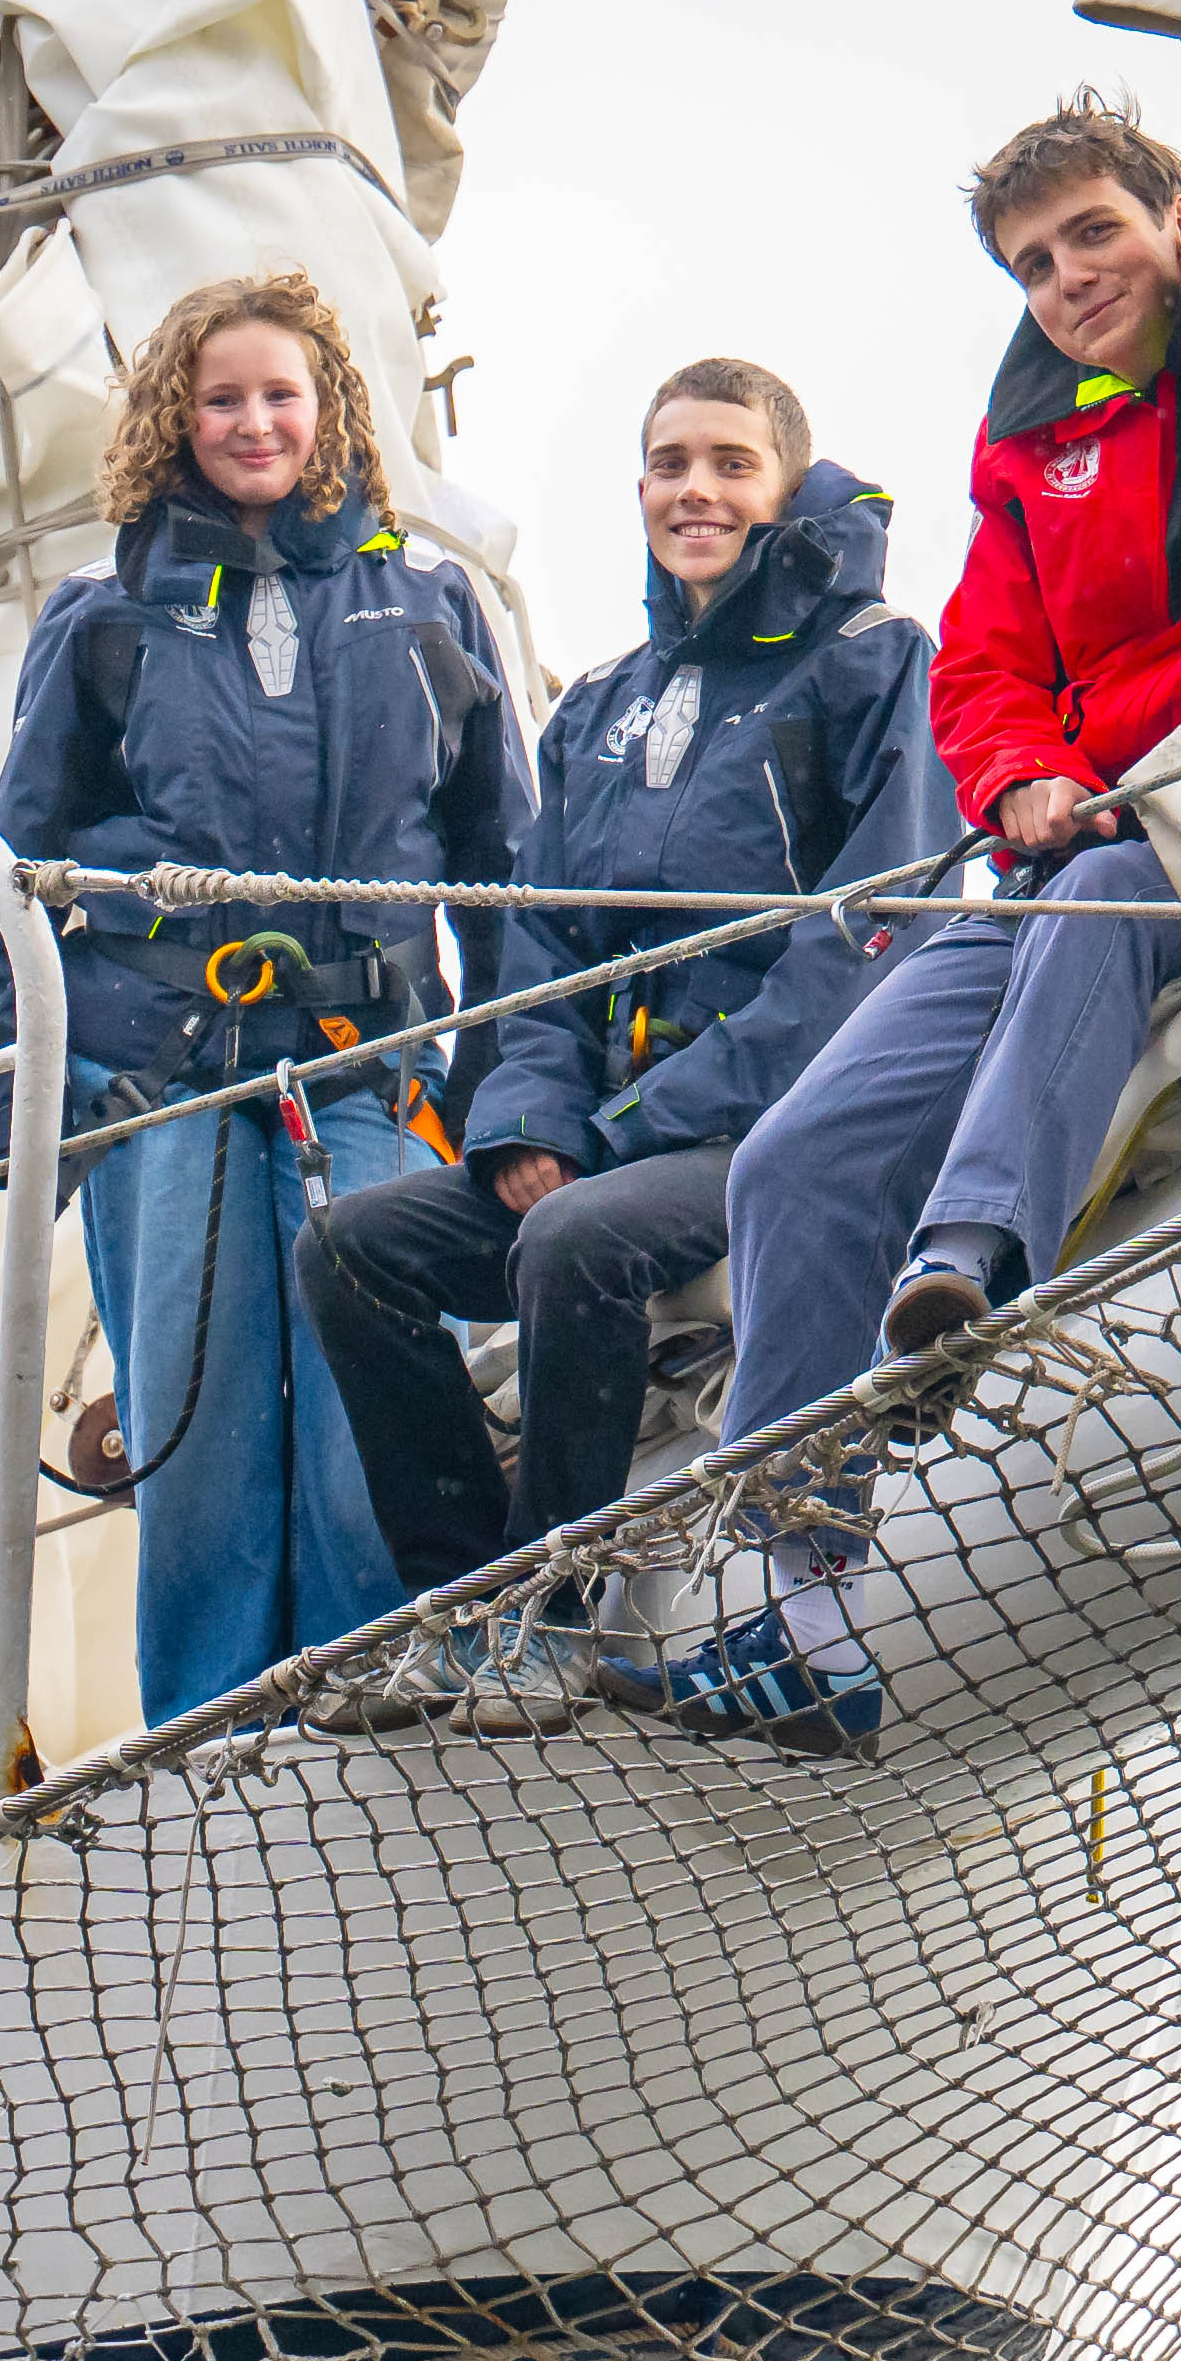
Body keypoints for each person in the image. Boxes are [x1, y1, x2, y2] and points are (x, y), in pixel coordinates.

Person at [287, 359, 935, 1700]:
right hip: (599, 1130)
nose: (693, 488)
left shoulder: (874, 665)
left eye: (728, 463)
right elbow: (544, 951)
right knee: (354, 1249)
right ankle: (461, 1601)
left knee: (580, 1236)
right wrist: (529, 1120)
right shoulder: (598, 705)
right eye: (668, 462)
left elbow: (870, 943)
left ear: (783, 489)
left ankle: (556, 1618)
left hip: (767, 1130)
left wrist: (626, 1128)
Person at [0, 269, 533, 1725]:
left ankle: (377, 1679)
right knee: (197, 1429)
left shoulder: (427, 603)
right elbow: (13, 877)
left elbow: (508, 871)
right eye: (223, 399)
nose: (255, 422)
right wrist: (13, 1112)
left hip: (377, 1068)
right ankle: (210, 1727)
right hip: (171, 1079)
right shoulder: (104, 621)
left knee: (371, 1412)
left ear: (330, 407)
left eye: (283, 393)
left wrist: (516, 1087)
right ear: (176, 420)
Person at [714, 100, 1181, 1435]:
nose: (1067, 280)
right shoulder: (1030, 450)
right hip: (1061, 848)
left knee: (1097, 901)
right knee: (789, 1161)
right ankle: (787, 1571)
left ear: (1179, 220)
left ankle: (962, 1271)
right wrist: (1023, 778)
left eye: (1093, 234)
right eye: (1033, 265)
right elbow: (980, 672)